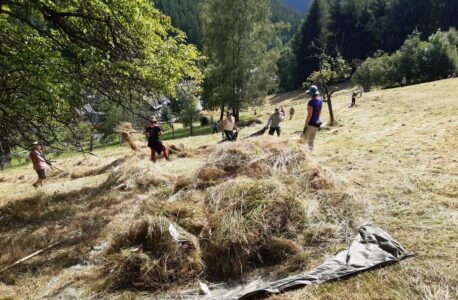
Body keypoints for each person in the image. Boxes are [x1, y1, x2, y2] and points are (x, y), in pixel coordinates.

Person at [303, 85, 323, 151]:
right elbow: (319, 112)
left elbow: (309, 115)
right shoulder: (320, 101)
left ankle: (302, 156)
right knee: (311, 141)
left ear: (311, 94)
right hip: (317, 123)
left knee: (303, 140)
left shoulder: (311, 102)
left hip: (310, 124)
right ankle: (310, 154)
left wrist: (305, 125)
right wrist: (316, 118)